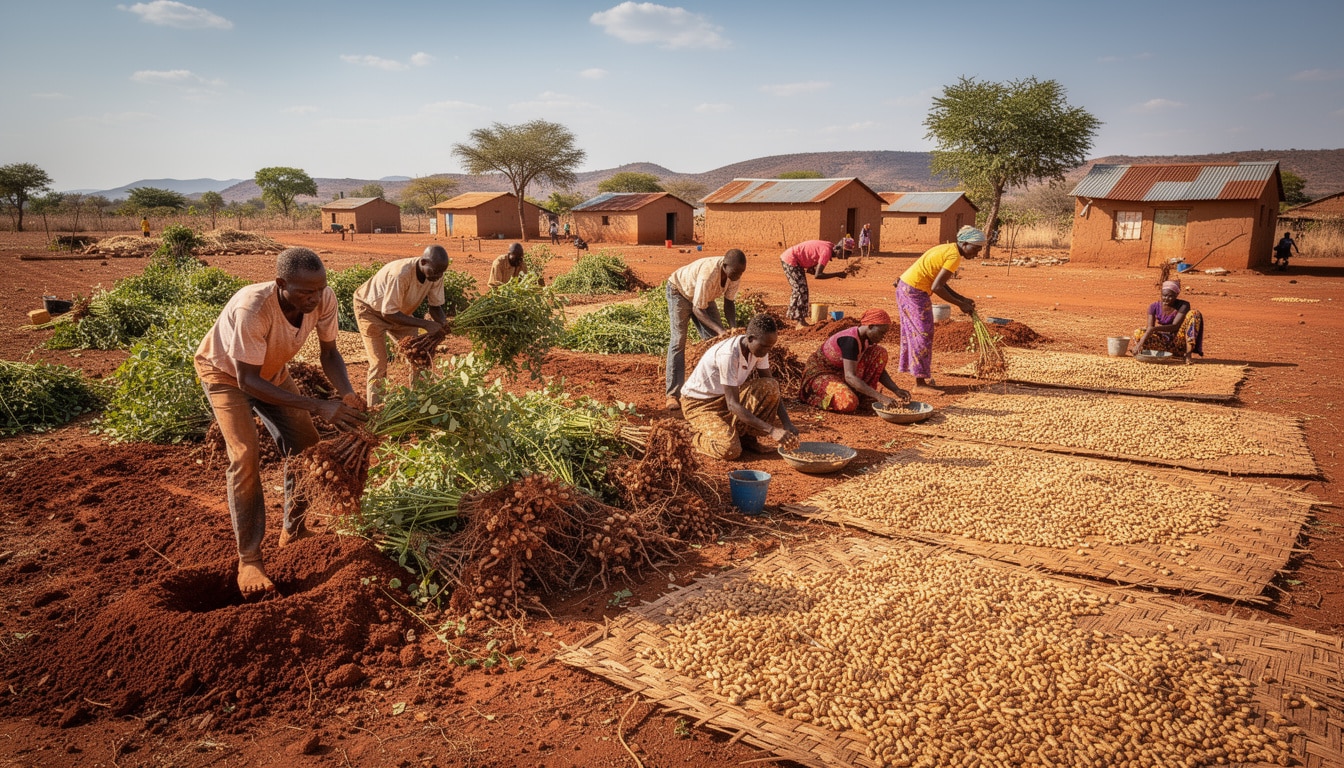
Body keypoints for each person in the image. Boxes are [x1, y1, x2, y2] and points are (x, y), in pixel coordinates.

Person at [194, 247, 366, 597]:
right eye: (305, 291)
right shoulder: (254, 307)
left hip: (271, 373)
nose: (314, 298)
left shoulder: (323, 298)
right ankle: (249, 558)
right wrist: (318, 405)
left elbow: (330, 353)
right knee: (244, 456)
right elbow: (246, 381)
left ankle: (295, 528)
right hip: (226, 376)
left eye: (320, 289)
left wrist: (346, 392)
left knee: (306, 445)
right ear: (280, 284)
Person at [680, 315, 800, 460]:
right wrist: (772, 430)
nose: (767, 351)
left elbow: (771, 384)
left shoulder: (760, 349)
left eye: (770, 347)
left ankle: (746, 438)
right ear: (750, 339)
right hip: (699, 404)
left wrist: (787, 422)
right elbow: (733, 405)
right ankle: (693, 435)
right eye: (764, 346)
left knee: (770, 386)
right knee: (729, 449)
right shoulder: (729, 355)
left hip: (724, 398)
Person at [354, 245, 451, 405]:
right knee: (379, 364)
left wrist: (443, 322)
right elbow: (388, 313)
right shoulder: (401, 274)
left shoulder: (436, 274)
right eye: (435, 272)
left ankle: (419, 403)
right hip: (370, 310)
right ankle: (377, 411)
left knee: (419, 357)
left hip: (399, 313)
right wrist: (426, 324)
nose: (438, 276)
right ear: (424, 262)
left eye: (442, 273)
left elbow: (435, 306)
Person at [895, 225, 984, 392]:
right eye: (975, 248)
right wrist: (960, 304)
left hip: (908, 288)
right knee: (922, 335)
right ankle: (919, 384)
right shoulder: (953, 256)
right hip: (913, 292)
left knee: (920, 334)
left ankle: (920, 379)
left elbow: (940, 283)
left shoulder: (948, 249)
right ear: (964, 244)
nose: (977, 253)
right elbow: (937, 287)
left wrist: (961, 299)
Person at [665, 250, 747, 410]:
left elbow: (729, 303)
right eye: (736, 272)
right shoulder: (708, 275)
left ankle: (712, 392)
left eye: (741, 272)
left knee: (716, 343)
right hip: (679, 292)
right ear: (724, 266)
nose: (738, 275)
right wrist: (720, 330)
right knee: (678, 341)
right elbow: (697, 309)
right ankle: (672, 395)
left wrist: (732, 328)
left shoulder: (734, 275)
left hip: (703, 298)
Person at [800, 308, 911, 412]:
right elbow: (850, 377)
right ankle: (814, 395)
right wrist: (880, 397)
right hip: (821, 374)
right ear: (870, 326)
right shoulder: (850, 341)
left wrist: (896, 389)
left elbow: (878, 369)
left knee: (879, 353)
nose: (882, 337)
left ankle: (862, 394)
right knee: (848, 402)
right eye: (881, 333)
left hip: (841, 372)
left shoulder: (866, 339)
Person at [779, 239, 847, 329]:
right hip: (791, 259)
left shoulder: (830, 246)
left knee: (801, 289)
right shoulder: (826, 252)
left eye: (848, 254)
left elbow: (813, 255)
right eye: (845, 253)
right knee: (800, 290)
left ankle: (795, 315)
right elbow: (818, 275)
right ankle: (800, 321)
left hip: (795, 260)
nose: (846, 256)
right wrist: (837, 274)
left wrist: (812, 268)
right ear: (838, 248)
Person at [1133, 280, 1204, 364]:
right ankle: (1160, 353)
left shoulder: (1183, 305)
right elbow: (1149, 328)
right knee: (1138, 333)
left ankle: (1188, 355)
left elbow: (1175, 326)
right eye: (1164, 295)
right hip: (1164, 342)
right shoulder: (1154, 306)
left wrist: (1153, 329)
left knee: (1194, 313)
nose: (1166, 298)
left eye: (1170, 296)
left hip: (1179, 340)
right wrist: (1140, 343)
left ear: (1176, 295)